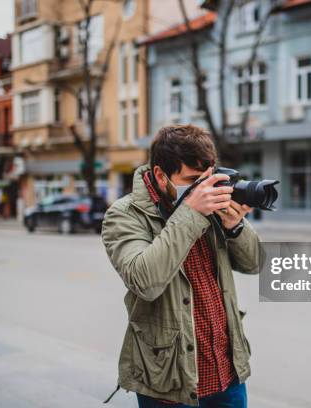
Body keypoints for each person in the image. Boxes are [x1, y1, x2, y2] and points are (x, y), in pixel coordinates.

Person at [101, 125, 262, 407]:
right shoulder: (125, 214)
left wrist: (235, 226)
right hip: (168, 383)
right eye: (192, 180)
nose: (203, 187)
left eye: (207, 179)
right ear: (161, 175)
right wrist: (191, 211)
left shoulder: (213, 203)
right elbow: (144, 281)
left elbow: (255, 263)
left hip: (228, 373)